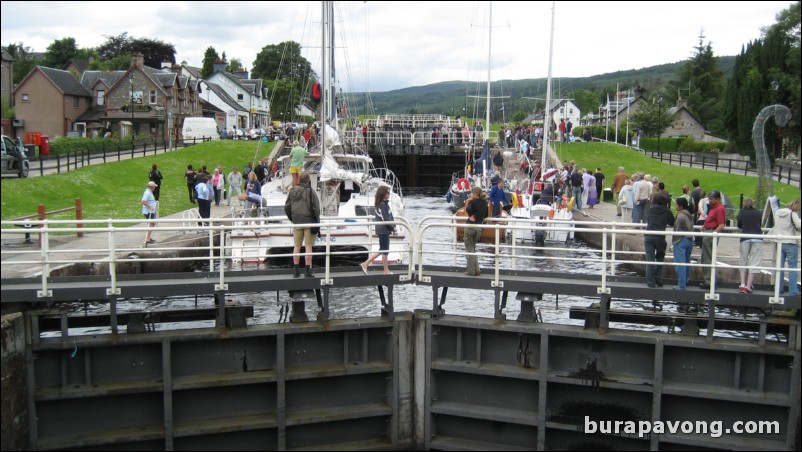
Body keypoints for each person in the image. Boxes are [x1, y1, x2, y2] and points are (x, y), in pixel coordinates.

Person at [284, 172, 320, 278]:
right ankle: (307, 271)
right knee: (308, 247)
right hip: (309, 222)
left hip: (297, 222)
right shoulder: (311, 191)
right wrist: (316, 221)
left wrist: (293, 219)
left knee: (297, 247)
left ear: (299, 180)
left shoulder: (292, 190)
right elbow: (316, 209)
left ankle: (296, 270)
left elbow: (287, 207)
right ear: (309, 181)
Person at [360, 186, 396, 275]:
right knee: (385, 250)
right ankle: (385, 270)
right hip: (383, 230)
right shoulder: (383, 205)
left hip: (383, 229)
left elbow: (389, 217)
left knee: (382, 250)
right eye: (387, 193)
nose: (389, 195)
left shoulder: (382, 204)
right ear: (383, 194)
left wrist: (393, 225)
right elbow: (385, 218)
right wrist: (392, 228)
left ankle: (365, 264)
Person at [770, 199, 801, 296]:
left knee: (779, 266)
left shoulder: (778, 212)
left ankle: (778, 288)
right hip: (790, 242)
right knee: (792, 268)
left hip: (779, 242)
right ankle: (793, 291)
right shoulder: (793, 214)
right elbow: (799, 225)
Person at [644, 193, 674, 287]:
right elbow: (672, 222)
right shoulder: (667, 211)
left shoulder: (651, 209)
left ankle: (650, 282)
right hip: (660, 237)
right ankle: (658, 276)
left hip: (649, 236)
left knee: (650, 259)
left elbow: (647, 219)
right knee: (660, 256)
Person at [700, 190, 726, 289]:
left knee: (708, 258)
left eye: (711, 199)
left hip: (711, 234)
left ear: (718, 199)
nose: (709, 201)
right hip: (709, 232)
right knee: (706, 258)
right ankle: (709, 280)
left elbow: (721, 225)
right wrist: (704, 226)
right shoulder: (714, 208)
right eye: (709, 198)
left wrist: (713, 234)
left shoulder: (719, 208)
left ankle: (710, 282)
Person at [736, 198, 763, 294]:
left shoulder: (741, 212)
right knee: (754, 261)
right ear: (753, 204)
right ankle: (748, 285)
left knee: (743, 259)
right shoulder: (758, 212)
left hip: (745, 237)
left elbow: (739, 225)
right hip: (757, 237)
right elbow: (760, 223)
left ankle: (742, 284)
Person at [463, 186, 488, 276]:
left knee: (469, 249)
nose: (470, 194)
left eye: (471, 193)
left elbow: (468, 209)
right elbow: (486, 214)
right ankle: (477, 270)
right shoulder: (485, 202)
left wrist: (470, 215)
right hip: (478, 227)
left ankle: (471, 271)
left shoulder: (472, 202)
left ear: (475, 194)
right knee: (473, 248)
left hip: (470, 226)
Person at [672, 197, 694, 290]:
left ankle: (681, 285)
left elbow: (677, 229)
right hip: (689, 240)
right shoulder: (689, 214)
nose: (675, 206)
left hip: (680, 241)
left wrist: (673, 243)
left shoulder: (680, 215)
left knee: (680, 264)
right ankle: (685, 280)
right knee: (686, 262)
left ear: (680, 206)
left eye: (676, 204)